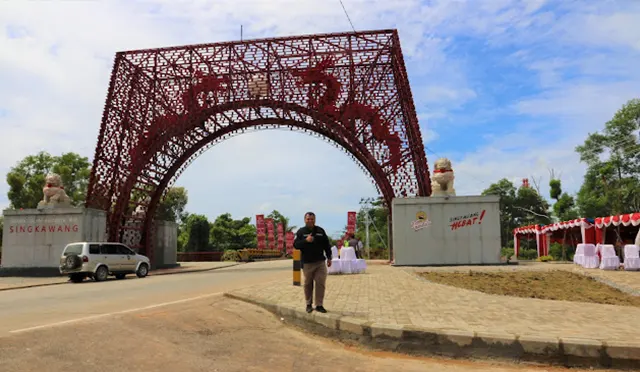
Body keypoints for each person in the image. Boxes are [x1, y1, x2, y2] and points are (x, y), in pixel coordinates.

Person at [294, 212, 332, 313]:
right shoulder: (301, 232)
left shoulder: (320, 231)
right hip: (307, 263)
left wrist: (329, 257)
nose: (310, 221)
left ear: (315, 220)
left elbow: (326, 245)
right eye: (308, 219)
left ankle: (319, 305)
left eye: (312, 219)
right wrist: (306, 240)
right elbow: (296, 245)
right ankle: (308, 304)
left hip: (320, 262)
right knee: (308, 284)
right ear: (305, 220)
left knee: (320, 283)